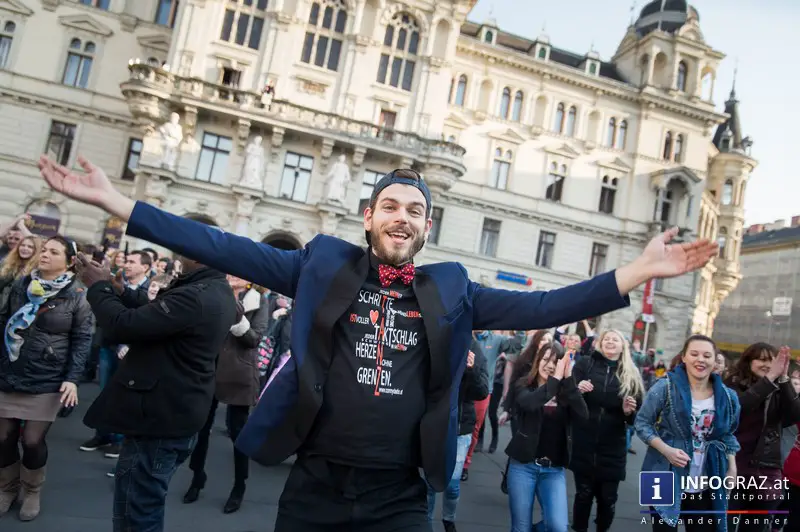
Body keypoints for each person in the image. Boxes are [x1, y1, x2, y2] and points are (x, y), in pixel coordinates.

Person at [37, 155, 718, 532]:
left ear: (427, 227)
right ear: (369, 217)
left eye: (415, 210)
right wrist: (120, 206)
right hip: (316, 484)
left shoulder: (454, 289)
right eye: (390, 205)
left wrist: (640, 270)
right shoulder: (322, 266)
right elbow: (220, 243)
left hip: (400, 497)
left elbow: (549, 303)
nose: (402, 216)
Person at [70, 213, 237, 532]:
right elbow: (157, 318)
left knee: (138, 510)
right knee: (137, 504)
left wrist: (99, 287)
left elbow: (125, 326)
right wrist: (118, 291)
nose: (173, 248)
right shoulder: (211, 289)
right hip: (171, 413)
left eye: (180, 240)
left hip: (161, 419)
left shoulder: (196, 295)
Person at [0, 236, 93, 520]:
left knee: (31, 441)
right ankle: (6, 488)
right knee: (3, 437)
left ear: (69, 261)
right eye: (45, 250)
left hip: (48, 378)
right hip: (11, 370)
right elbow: (5, 319)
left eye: (54, 252)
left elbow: (82, 338)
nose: (45, 255)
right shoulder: (23, 283)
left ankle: (32, 490)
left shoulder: (78, 293)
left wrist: (72, 378)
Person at [635, 334, 740, 532]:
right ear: (684, 357)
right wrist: (667, 450)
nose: (701, 359)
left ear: (714, 360)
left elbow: (728, 434)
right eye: (694, 354)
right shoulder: (663, 386)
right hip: (660, 472)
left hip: (707, 476)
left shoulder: (728, 396)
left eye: (707, 355)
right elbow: (642, 423)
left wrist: (732, 467)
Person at [183, 275, 270, 514]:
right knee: (201, 428)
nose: (231, 275)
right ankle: (197, 476)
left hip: (239, 373)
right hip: (208, 368)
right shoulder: (214, 294)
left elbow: (254, 339)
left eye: (238, 272)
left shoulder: (258, 301)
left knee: (237, 433)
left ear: (250, 279)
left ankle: (239, 486)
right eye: (229, 271)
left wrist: (236, 315)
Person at [505, 341, 588, 532]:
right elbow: (530, 404)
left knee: (558, 527)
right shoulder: (524, 385)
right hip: (523, 466)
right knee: (520, 528)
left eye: (555, 362)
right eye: (546, 360)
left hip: (553, 470)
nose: (550, 365)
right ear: (537, 360)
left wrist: (568, 380)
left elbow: (583, 415)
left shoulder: (565, 391)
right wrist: (556, 379)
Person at [569, 329, 645, 532]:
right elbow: (568, 398)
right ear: (599, 344)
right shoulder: (585, 364)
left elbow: (636, 419)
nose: (610, 342)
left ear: (623, 346)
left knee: (608, 499)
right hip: (584, 440)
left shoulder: (631, 373)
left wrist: (628, 412)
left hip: (613, 444)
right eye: (606, 339)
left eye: (615, 339)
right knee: (583, 495)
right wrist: (578, 391)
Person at [725, 343, 800, 532]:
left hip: (766, 470)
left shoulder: (778, 386)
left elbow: (794, 416)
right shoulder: (732, 384)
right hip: (735, 465)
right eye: (762, 359)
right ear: (749, 361)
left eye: (772, 360)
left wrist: (783, 379)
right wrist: (769, 379)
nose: (768, 365)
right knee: (724, 524)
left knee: (755, 526)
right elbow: (738, 410)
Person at [426, 341, 488, 532]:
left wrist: (471, 370)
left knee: (452, 483)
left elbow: (482, 392)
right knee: (429, 483)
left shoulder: (474, 348)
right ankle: (425, 521)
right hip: (433, 425)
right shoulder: (437, 339)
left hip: (460, 427)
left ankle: (448, 519)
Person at [0, 235, 41, 310]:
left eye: (30, 247)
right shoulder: (6, 263)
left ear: (36, 250)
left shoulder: (37, 271)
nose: (25, 248)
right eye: (23, 245)